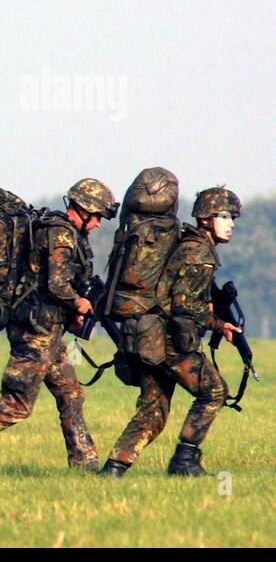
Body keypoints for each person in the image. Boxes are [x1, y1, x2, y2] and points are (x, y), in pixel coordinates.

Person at [0, 179, 118, 470]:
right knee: (16, 403)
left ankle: (85, 462)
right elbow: (57, 285)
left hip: (48, 332)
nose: (98, 225)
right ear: (84, 209)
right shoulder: (60, 235)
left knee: (71, 394)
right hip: (35, 333)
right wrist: (78, 302)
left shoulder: (58, 230)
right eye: (97, 218)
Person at [100, 187, 242, 477]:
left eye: (233, 218)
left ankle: (113, 471)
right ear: (205, 218)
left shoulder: (186, 244)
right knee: (214, 390)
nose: (231, 224)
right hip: (170, 342)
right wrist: (216, 323)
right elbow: (185, 306)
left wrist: (217, 322)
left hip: (149, 338)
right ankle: (184, 460)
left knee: (152, 412)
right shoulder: (199, 253)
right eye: (224, 216)